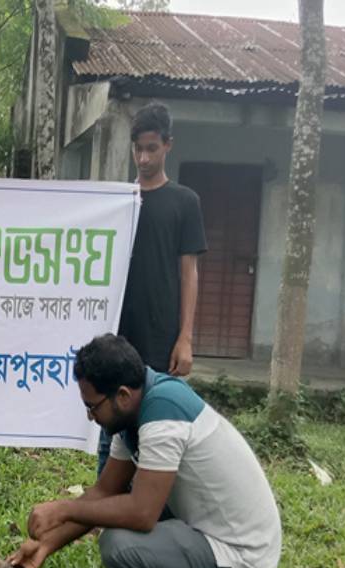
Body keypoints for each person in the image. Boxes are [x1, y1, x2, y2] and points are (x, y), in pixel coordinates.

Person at [11, 334, 281, 568]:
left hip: (242, 560)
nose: (90, 417)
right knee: (124, 522)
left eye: (92, 407)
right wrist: (45, 546)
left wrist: (62, 509)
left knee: (118, 547)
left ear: (122, 395)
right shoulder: (136, 408)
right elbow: (105, 492)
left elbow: (142, 513)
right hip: (211, 538)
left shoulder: (163, 413)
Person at [98, 102, 207, 476]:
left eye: (151, 149)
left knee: (154, 430)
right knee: (109, 428)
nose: (143, 158)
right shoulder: (116, 202)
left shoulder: (184, 202)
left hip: (160, 338)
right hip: (117, 336)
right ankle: (104, 506)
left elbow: (189, 272)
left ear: (168, 145)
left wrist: (185, 338)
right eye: (137, 149)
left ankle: (151, 510)